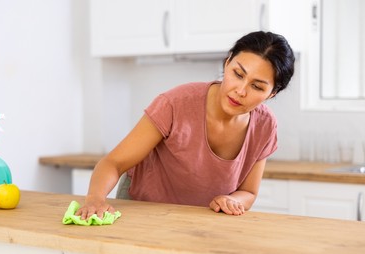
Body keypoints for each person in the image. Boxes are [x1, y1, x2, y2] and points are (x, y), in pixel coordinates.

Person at [77, 31, 295, 219]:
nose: (241, 90)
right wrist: (95, 198)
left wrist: (231, 200)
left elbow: (248, 192)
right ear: (227, 62)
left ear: (272, 93)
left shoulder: (265, 126)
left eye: (257, 87)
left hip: (201, 218)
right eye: (238, 74)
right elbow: (113, 163)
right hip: (143, 207)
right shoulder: (175, 103)